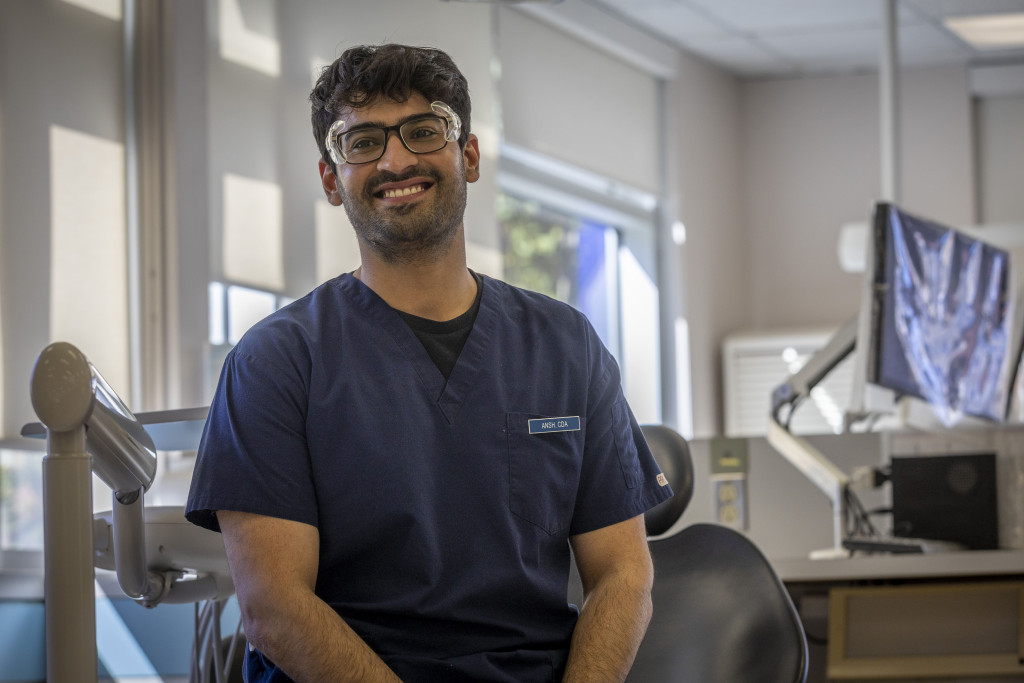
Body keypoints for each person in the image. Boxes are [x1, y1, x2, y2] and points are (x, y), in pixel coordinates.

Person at [186, 43, 673, 683]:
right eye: (361, 142)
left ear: (467, 156)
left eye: (423, 131)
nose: (396, 160)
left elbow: (624, 573)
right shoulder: (276, 361)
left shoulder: (565, 346)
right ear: (332, 180)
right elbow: (275, 609)